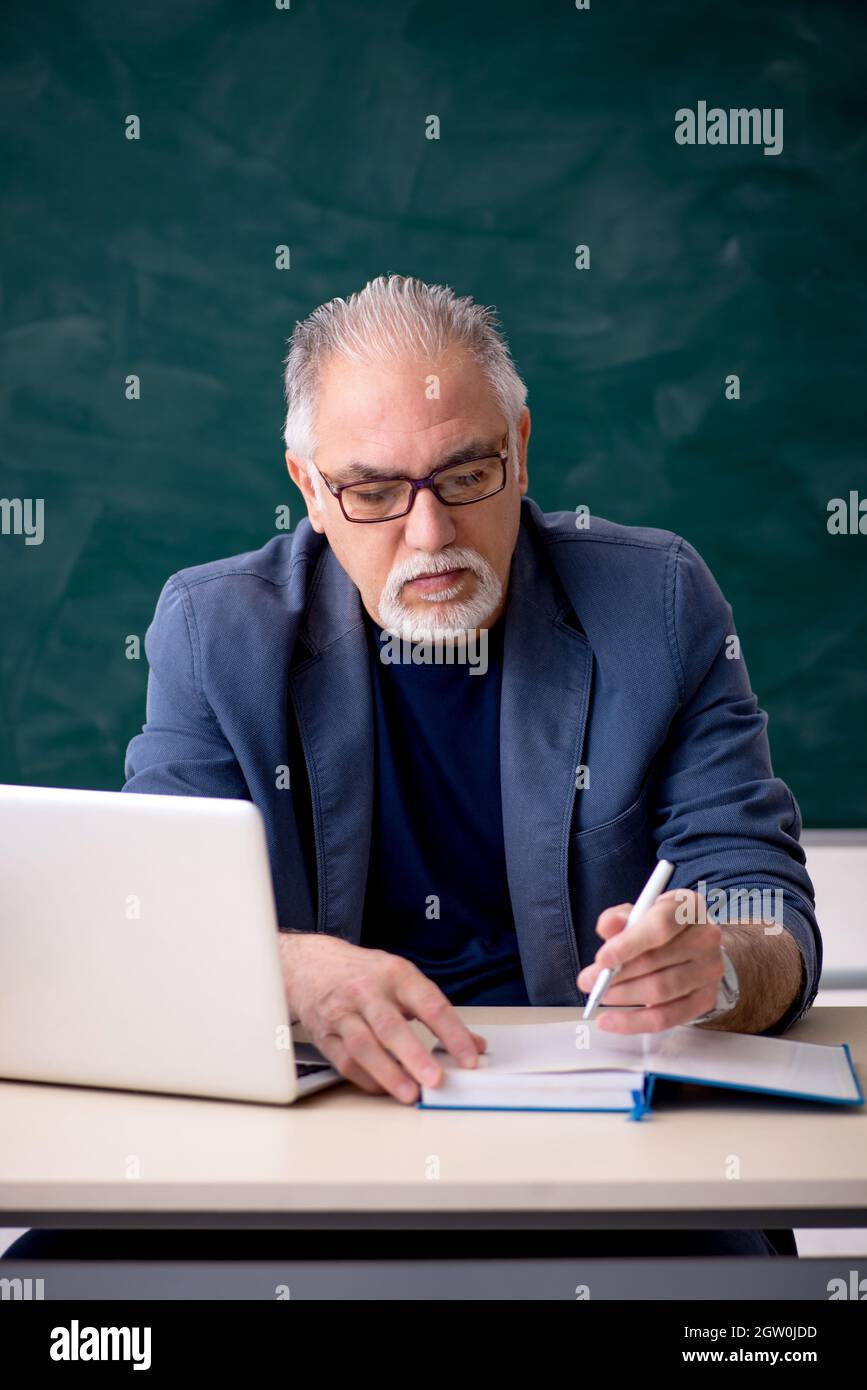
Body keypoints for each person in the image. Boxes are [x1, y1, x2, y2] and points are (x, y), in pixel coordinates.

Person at [5, 275, 819, 1264]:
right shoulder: (215, 631)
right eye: (375, 492)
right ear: (310, 489)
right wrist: (290, 970)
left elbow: (762, 899)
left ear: (520, 449)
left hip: (601, 1138)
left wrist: (719, 962)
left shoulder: (656, 602)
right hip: (303, 1136)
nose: (429, 536)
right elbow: (151, 926)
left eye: (466, 476)